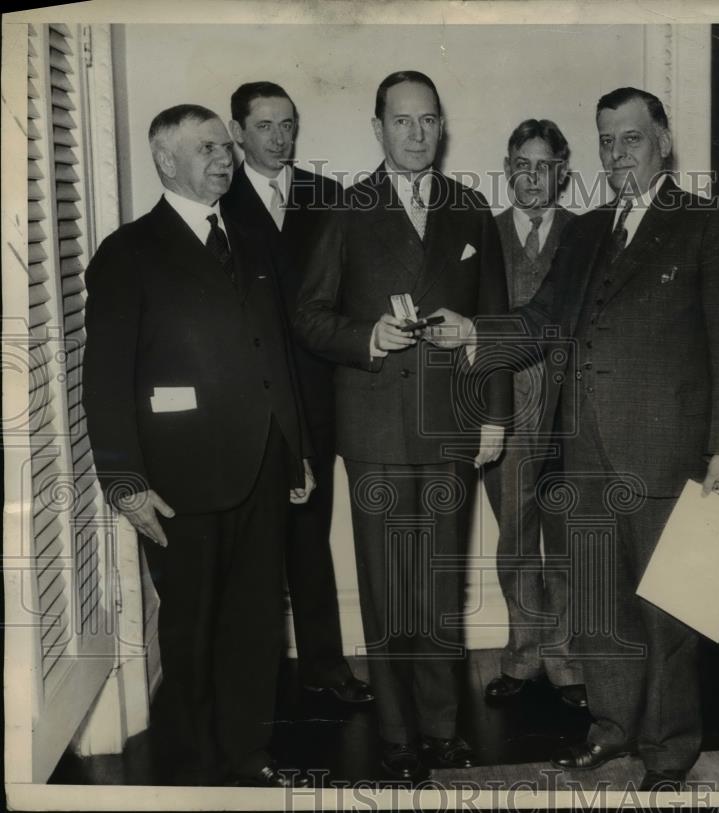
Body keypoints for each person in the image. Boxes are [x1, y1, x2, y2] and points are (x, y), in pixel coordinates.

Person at [506, 87, 719, 790]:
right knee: (597, 604)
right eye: (607, 141)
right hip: (582, 450)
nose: (618, 154)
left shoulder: (707, 224)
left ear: (664, 143)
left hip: (669, 451)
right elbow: (537, 319)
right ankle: (611, 728)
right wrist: (471, 330)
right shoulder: (584, 230)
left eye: (632, 139)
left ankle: (669, 749)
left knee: (673, 607)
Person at [82, 104, 314, 787]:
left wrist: (294, 448)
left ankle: (248, 755)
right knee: (190, 630)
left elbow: (277, 352)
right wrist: (124, 479)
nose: (225, 156)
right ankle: (191, 772)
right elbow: (105, 378)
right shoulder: (128, 252)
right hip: (178, 481)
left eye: (224, 145)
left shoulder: (252, 237)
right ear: (165, 160)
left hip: (262, 466)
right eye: (207, 146)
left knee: (256, 624)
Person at [295, 71, 511, 783]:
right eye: (402, 121)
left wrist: (496, 414)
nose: (417, 134)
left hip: (452, 428)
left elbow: (499, 324)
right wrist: (368, 336)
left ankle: (444, 732)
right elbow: (310, 316)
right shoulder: (348, 210)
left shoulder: (470, 208)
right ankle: (396, 737)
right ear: (378, 128)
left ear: (441, 127)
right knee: (391, 592)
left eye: (428, 121)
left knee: (440, 589)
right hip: (378, 433)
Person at [223, 81, 373, 705]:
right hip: (248, 404)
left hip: (316, 397)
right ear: (238, 133)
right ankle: (252, 685)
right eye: (265, 126)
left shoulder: (328, 197)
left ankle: (325, 668)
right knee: (253, 546)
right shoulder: (217, 199)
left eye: (288, 124)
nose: (280, 138)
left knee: (311, 537)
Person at [482, 119, 586, 710]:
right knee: (515, 539)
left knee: (568, 536)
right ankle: (522, 656)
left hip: (572, 413)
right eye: (522, 163)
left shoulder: (588, 233)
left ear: (562, 172)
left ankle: (568, 663)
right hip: (507, 412)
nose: (531, 176)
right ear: (507, 166)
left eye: (544, 165)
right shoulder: (483, 234)